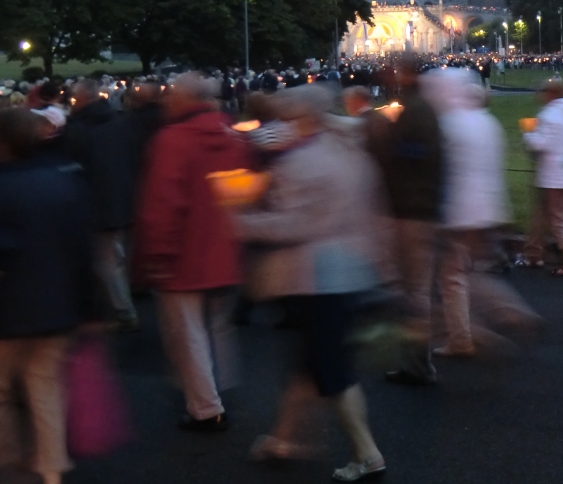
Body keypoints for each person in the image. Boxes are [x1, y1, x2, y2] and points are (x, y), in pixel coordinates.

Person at [239, 85, 387, 481]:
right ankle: (285, 437)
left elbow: (295, 223)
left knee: (332, 371)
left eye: (286, 118)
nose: (280, 127)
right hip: (350, 270)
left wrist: (239, 221)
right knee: (309, 363)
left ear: (302, 118)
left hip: (318, 276)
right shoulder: (351, 151)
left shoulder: (303, 163)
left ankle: (367, 452)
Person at [135, 72, 251, 431]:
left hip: (183, 252)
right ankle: (218, 385)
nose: (167, 100)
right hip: (223, 245)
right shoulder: (233, 137)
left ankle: (205, 405)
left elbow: (163, 204)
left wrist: (156, 253)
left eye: (172, 95)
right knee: (216, 326)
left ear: (185, 100)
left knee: (187, 333)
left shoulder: (172, 141)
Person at [0, 108, 95, 484]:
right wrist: (89, 304)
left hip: (9, 308)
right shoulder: (63, 180)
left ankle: (8, 460)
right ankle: (51, 467)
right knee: (46, 389)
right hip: (58, 304)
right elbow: (81, 249)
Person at [424, 68, 539, 356]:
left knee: (453, 277)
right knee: (472, 272)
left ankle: (464, 337)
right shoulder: (486, 122)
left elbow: (440, 170)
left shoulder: (448, 124)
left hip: (458, 211)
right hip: (488, 207)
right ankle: (510, 311)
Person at [381, 54, 443, 386]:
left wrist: (389, 141)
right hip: (418, 206)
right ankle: (417, 358)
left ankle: (418, 362)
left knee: (415, 291)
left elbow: (416, 154)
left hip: (413, 209)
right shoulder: (420, 108)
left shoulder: (416, 111)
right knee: (415, 288)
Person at [63, 78, 140, 331]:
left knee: (105, 259)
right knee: (113, 254)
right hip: (120, 196)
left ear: (84, 98)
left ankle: (122, 308)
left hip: (96, 201)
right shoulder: (120, 123)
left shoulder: (79, 129)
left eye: (74, 98)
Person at [518, 80, 563, 275]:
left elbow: (540, 144)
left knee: (558, 218)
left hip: (553, 175)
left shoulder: (548, 115)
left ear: (550, 94)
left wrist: (527, 133)